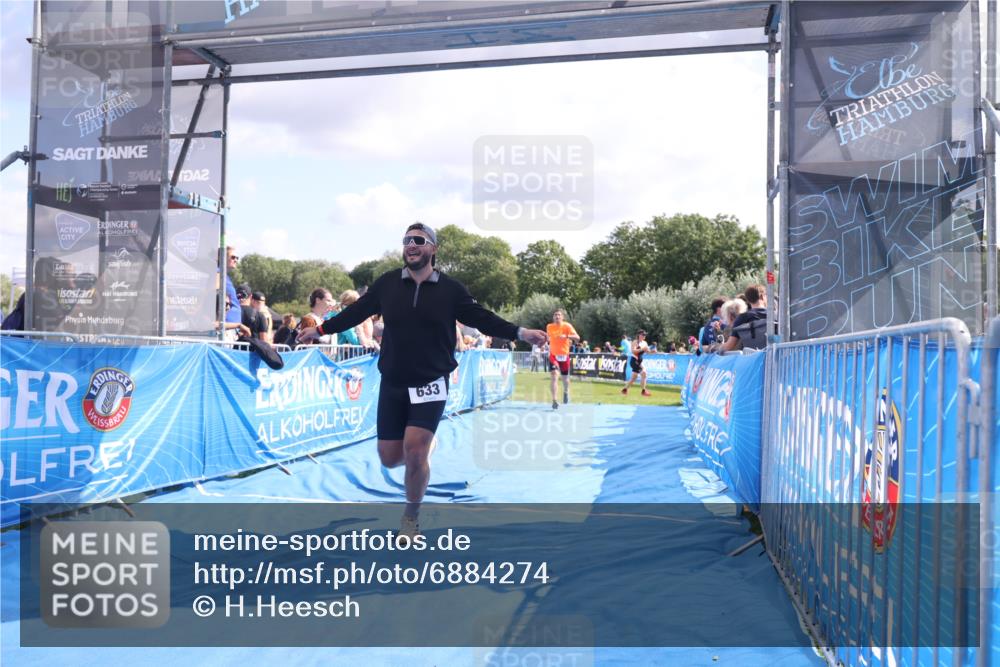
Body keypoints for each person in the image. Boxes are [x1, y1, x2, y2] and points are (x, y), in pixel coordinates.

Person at [298, 223, 546, 540]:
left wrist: (520, 333)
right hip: (394, 381)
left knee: (414, 452)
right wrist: (319, 331)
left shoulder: (450, 290)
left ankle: (410, 519)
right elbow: (355, 312)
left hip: (431, 380)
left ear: (433, 248)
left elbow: (482, 318)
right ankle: (424, 449)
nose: (411, 245)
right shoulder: (387, 284)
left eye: (419, 240)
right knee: (389, 458)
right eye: (407, 240)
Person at [545, 309, 580, 410]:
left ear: (562, 317)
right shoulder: (549, 326)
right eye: (555, 315)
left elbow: (577, 337)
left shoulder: (567, 326)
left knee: (565, 379)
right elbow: (548, 338)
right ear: (553, 317)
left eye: (559, 315)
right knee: (554, 375)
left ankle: (565, 392)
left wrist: (567, 336)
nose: (557, 317)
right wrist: (544, 343)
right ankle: (554, 400)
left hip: (564, 355)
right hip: (553, 355)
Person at [723, 284, 768, 351]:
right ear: (762, 296)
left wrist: (714, 348)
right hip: (776, 357)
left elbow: (729, 346)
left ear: (748, 300)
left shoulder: (742, 318)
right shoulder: (775, 316)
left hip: (752, 358)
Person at [621, 330, 652, 396]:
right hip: (634, 361)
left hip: (639, 361)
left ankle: (624, 390)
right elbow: (633, 351)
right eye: (643, 334)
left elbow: (647, 351)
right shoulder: (635, 342)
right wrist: (642, 349)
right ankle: (643, 391)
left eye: (645, 335)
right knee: (644, 373)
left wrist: (651, 351)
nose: (644, 336)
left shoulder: (645, 343)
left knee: (633, 378)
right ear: (639, 335)